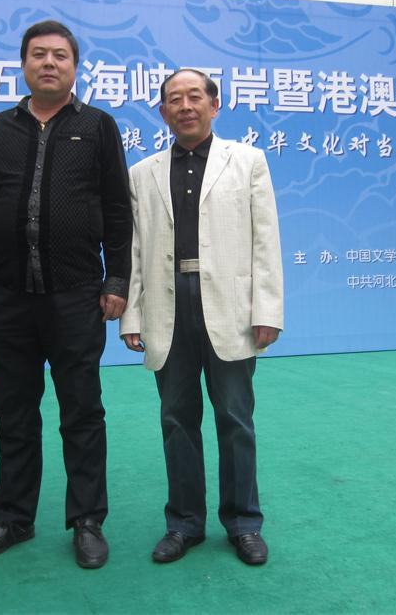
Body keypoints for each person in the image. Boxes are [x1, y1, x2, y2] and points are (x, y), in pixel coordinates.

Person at [0, 20, 131, 569]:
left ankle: (87, 520)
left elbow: (118, 209)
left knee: (82, 412)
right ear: (23, 65)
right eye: (38, 54)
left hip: (76, 295)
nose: (49, 63)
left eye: (60, 55)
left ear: (75, 67)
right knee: (13, 414)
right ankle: (13, 518)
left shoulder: (98, 126)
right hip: (7, 297)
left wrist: (117, 279)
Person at [119, 68, 283, 566]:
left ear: (215, 105)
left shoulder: (248, 161)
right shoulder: (142, 173)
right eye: (175, 99)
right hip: (168, 305)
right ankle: (184, 524)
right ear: (162, 112)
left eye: (195, 97)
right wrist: (132, 316)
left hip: (231, 307)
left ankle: (244, 523)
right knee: (176, 419)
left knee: (235, 418)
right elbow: (135, 248)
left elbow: (265, 240)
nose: (185, 106)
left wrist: (267, 309)